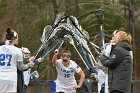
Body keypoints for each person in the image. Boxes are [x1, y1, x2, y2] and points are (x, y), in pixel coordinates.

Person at [0, 27, 35, 92]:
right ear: (14, 39)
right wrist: (29, 65)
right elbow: (21, 67)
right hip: (10, 79)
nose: (18, 40)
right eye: (17, 38)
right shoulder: (17, 51)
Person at [99, 28, 133, 93]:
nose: (113, 36)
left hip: (118, 88)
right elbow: (113, 62)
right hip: (121, 87)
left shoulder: (119, 50)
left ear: (119, 38)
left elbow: (109, 63)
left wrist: (101, 57)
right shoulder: (123, 49)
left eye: (116, 35)